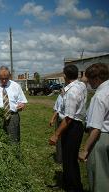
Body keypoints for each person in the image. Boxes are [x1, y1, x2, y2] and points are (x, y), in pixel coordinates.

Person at [49, 64, 87, 192]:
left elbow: (68, 118)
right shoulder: (80, 85)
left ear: (65, 75)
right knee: (68, 157)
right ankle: (68, 183)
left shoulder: (72, 92)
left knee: (69, 159)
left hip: (72, 126)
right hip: (76, 125)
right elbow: (84, 80)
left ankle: (74, 187)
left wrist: (56, 134)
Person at [78, 63, 109, 192]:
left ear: (96, 79)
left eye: (90, 80)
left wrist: (85, 150)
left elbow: (96, 128)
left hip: (101, 139)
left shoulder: (99, 96)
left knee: (99, 176)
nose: (89, 83)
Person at [49, 88, 64, 164]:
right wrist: (52, 119)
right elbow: (57, 109)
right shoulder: (60, 97)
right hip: (60, 119)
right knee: (59, 139)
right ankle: (59, 158)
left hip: (69, 121)